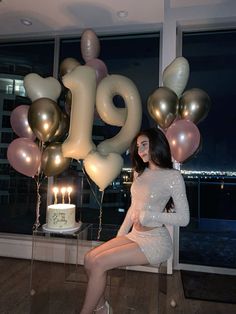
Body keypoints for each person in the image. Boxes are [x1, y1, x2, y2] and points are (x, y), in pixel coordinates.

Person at [80, 127, 189, 314]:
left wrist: (151, 216)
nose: (140, 151)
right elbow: (133, 208)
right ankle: (101, 308)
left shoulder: (173, 176)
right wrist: (119, 236)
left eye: (144, 145)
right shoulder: (139, 173)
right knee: (89, 259)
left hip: (156, 241)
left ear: (157, 144)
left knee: (99, 263)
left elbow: (184, 218)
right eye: (138, 147)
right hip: (135, 235)